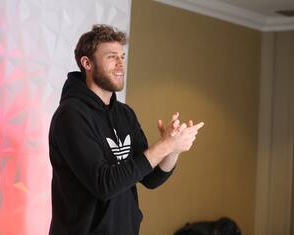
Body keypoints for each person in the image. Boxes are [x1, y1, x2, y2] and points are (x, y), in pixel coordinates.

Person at [48, 24, 204, 235]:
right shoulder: (71, 116)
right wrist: (163, 145)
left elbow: (151, 178)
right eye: (112, 56)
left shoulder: (124, 114)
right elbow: (104, 184)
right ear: (87, 63)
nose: (121, 64)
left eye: (122, 56)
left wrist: (173, 149)